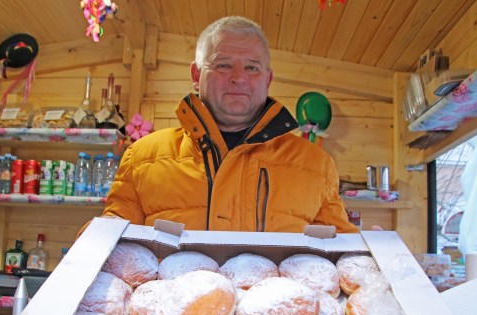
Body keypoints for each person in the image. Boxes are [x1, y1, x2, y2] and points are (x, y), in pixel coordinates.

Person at [93, 16, 358, 234]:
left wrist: (371, 253)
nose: (238, 78)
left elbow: (340, 252)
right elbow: (110, 243)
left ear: (268, 80)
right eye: (223, 64)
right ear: (196, 76)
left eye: (252, 68)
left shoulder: (315, 164)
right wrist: (97, 238)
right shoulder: (141, 157)